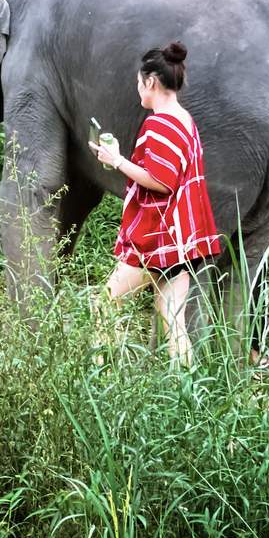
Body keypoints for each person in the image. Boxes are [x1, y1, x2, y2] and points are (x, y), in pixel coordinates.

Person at [90, 42, 222, 365]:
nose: (138, 90)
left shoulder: (160, 123)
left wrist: (117, 161)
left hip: (157, 239)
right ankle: (189, 397)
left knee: (104, 306)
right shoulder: (185, 121)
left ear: (151, 82)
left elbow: (161, 181)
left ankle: (103, 378)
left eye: (139, 83)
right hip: (182, 240)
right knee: (173, 321)